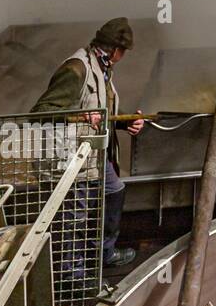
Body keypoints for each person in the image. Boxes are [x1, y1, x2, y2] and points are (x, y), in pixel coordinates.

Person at [30, 17, 144, 267]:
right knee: (74, 217)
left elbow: (103, 108)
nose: (123, 56)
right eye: (123, 51)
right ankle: (72, 274)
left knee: (115, 190)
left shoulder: (102, 69)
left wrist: (126, 122)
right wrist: (78, 116)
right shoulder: (76, 69)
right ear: (116, 50)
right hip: (70, 158)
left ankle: (103, 253)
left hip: (92, 154)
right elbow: (38, 113)